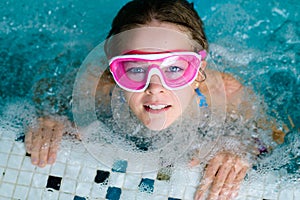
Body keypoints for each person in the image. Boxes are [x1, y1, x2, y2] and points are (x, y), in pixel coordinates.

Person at [25, 0, 253, 199]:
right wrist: (51, 120)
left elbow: (270, 136)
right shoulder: (98, 89)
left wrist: (239, 149)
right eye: (135, 69)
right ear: (115, 70)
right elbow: (44, 93)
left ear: (198, 70)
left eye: (174, 68)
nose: (155, 88)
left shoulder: (228, 94)